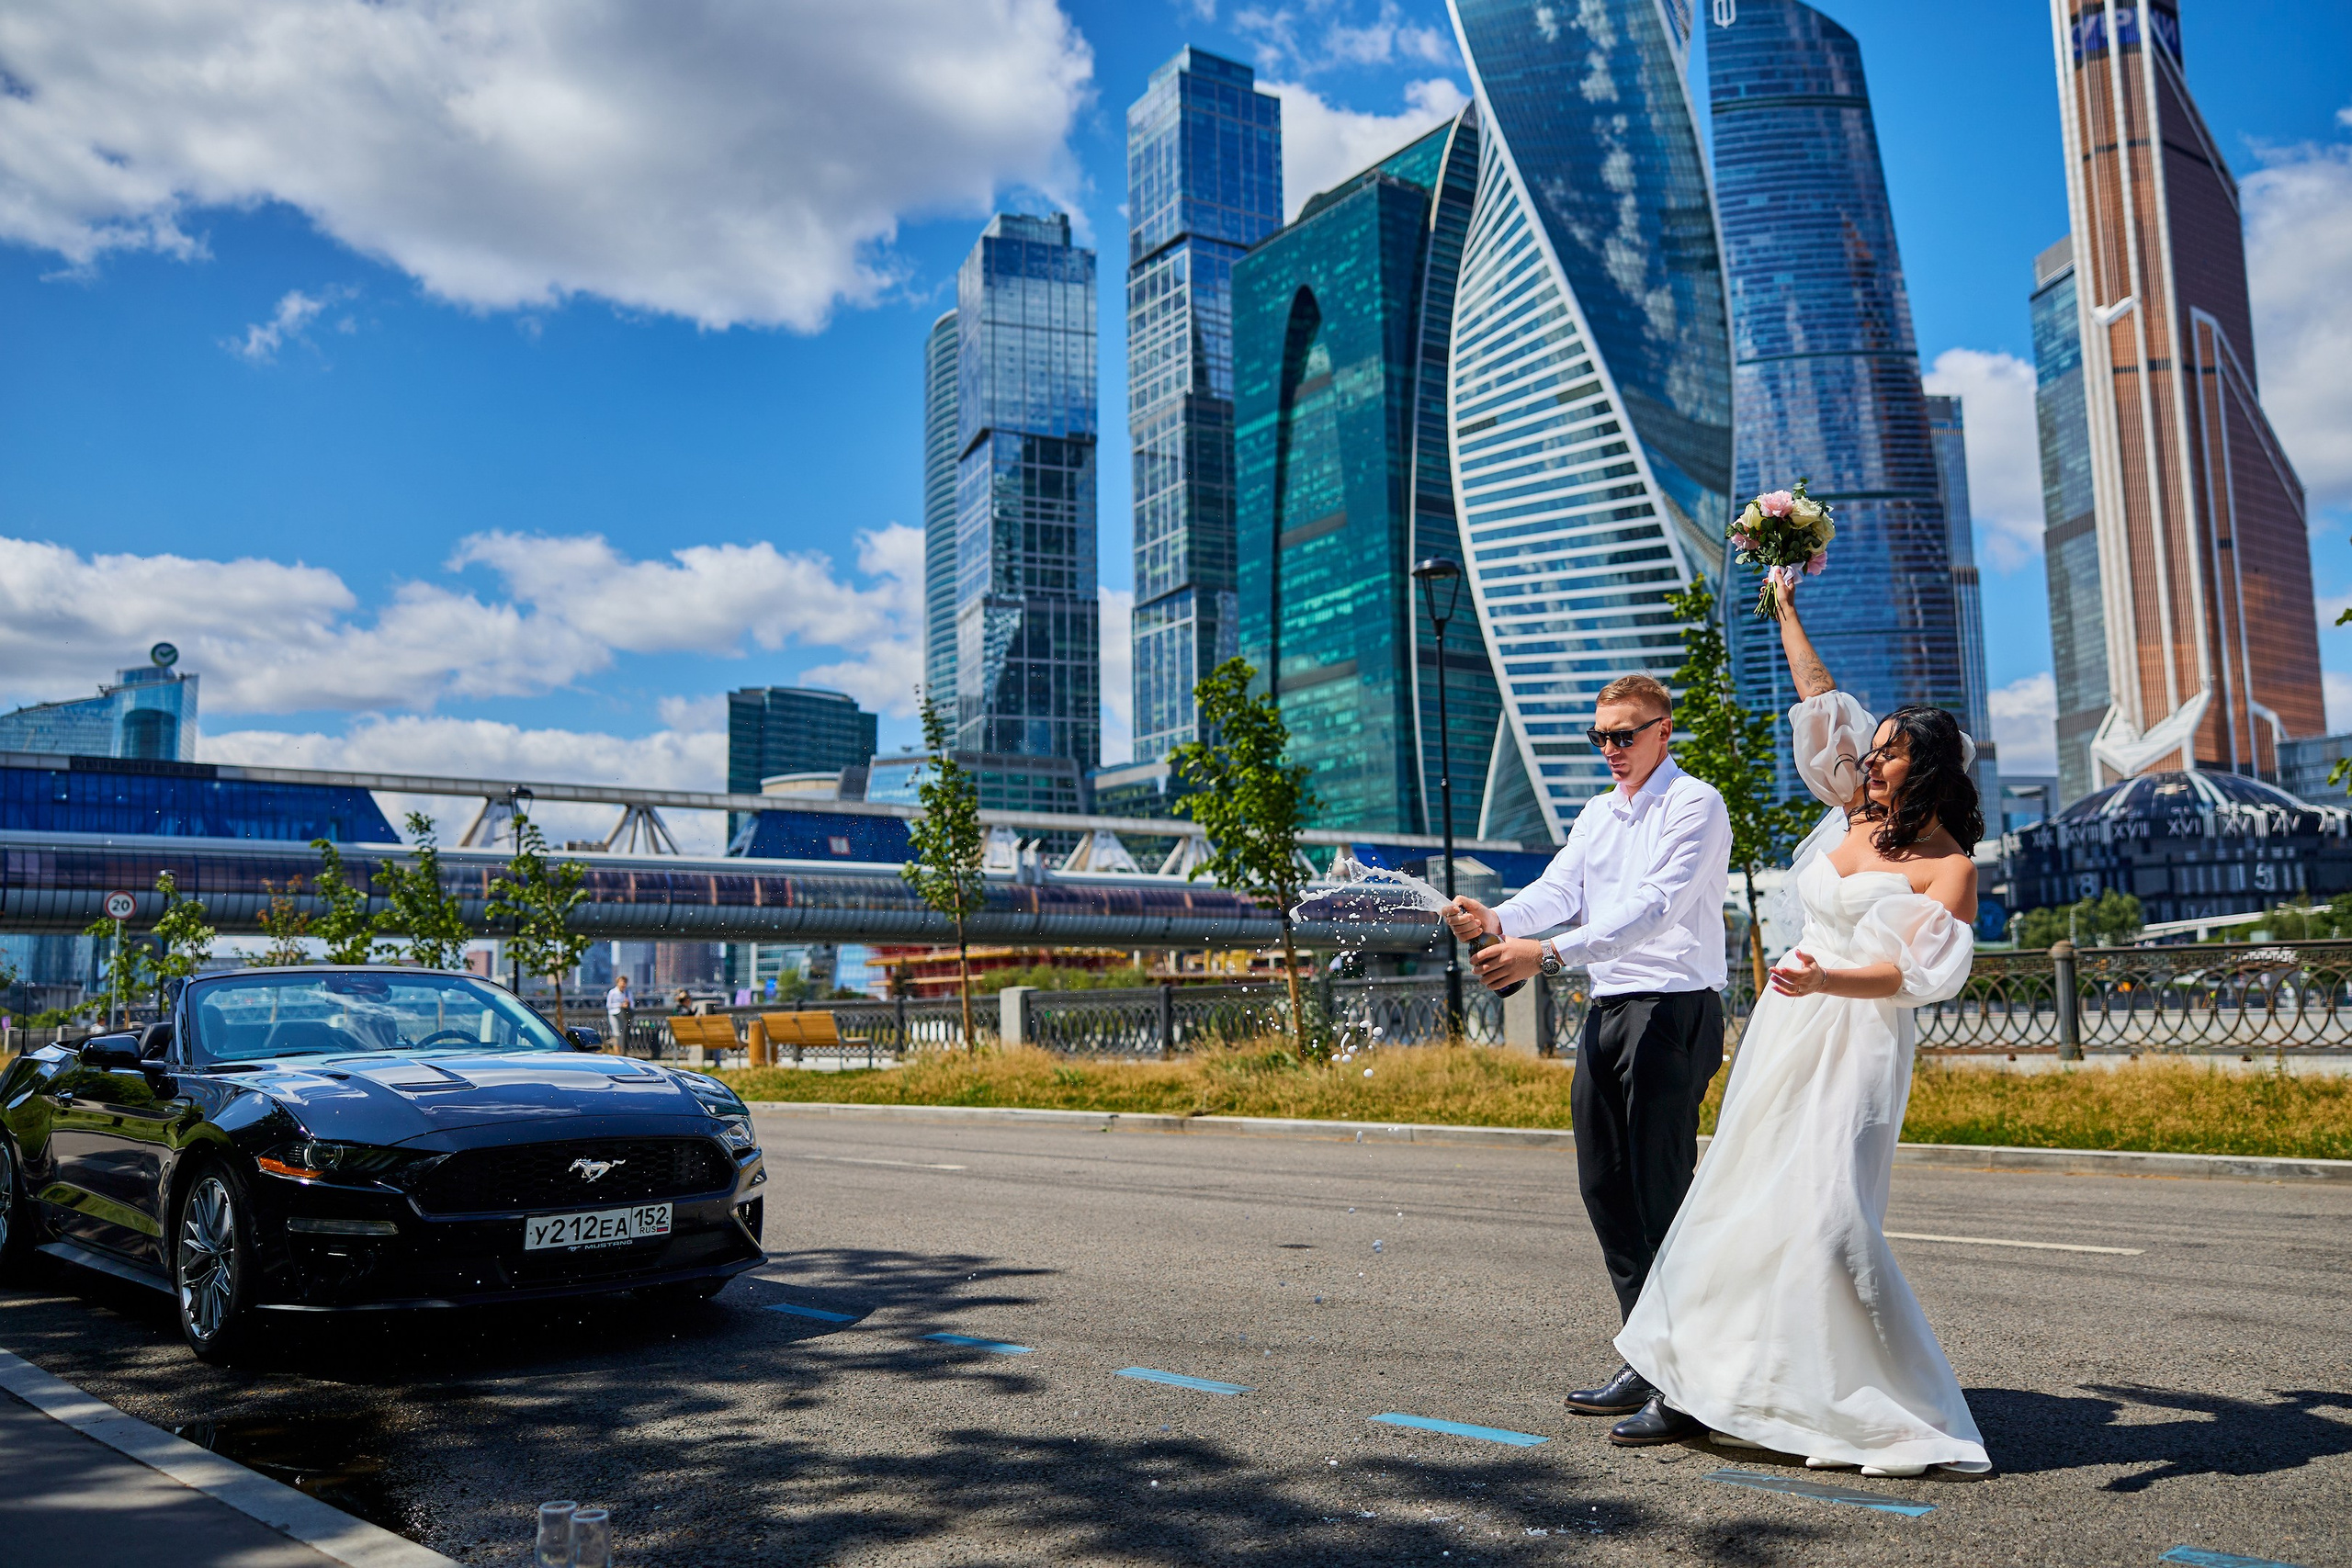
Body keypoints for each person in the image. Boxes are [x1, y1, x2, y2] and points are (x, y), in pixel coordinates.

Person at [1611, 568, 1992, 1474]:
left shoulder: (1949, 866)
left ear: (1927, 767)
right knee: (1742, 1200)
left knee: (1830, 1223)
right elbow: (1819, 697)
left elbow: (1913, 974)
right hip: (1788, 1029)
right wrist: (1785, 603)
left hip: (1856, 1036)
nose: (1872, 756)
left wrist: (1829, 981)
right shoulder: (1853, 809)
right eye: (1875, 746)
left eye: (1891, 750)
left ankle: (1889, 1409)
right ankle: (1702, 1386)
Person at [1443, 672, 1732, 1427]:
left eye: (1625, 734)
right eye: (1600, 736)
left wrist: (1546, 956)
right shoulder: (1599, 814)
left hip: (1674, 1008)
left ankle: (1691, 1385)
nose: (1611, 748)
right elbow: (1558, 888)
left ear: (1664, 731)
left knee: (1661, 1188)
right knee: (1605, 1185)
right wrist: (1498, 915)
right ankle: (1648, 1354)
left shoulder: (1696, 803)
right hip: (1609, 1007)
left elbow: (1654, 908)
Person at [605, 974, 633, 1051]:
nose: (623, 984)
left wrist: (628, 1004)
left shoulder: (627, 993)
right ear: (618, 983)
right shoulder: (612, 992)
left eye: (625, 982)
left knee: (623, 1034)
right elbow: (608, 1005)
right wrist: (620, 1005)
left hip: (623, 1014)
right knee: (617, 1033)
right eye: (622, 982)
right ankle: (616, 1051)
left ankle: (621, 1051)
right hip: (614, 1014)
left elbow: (632, 1004)